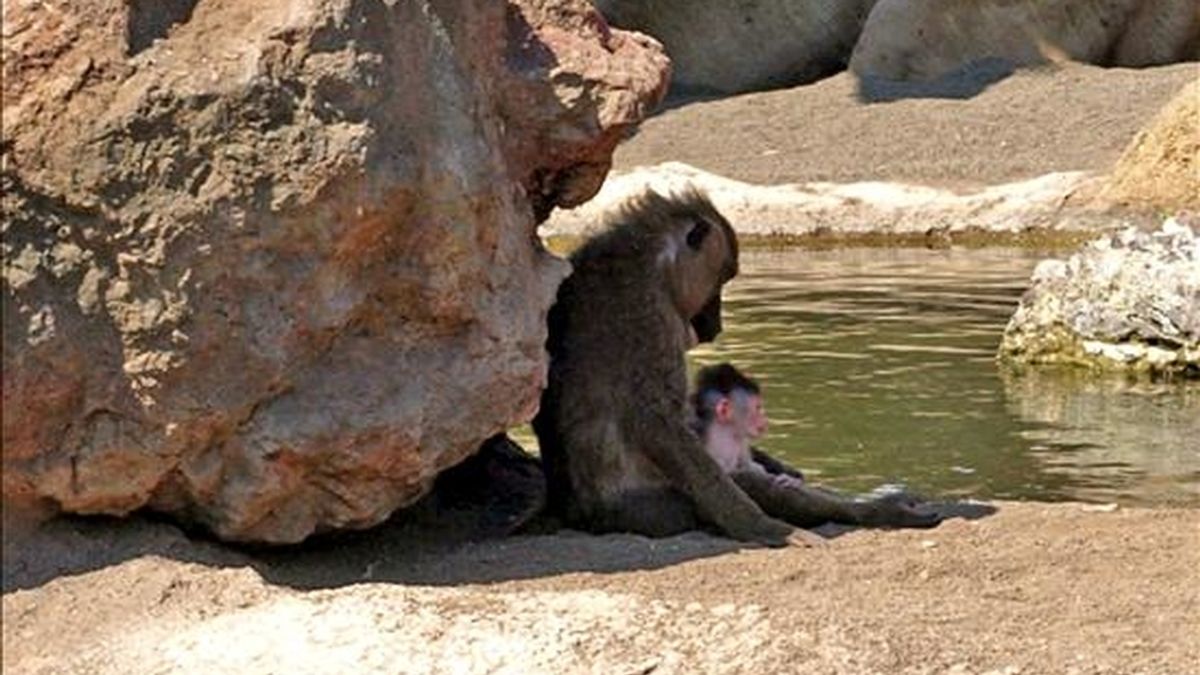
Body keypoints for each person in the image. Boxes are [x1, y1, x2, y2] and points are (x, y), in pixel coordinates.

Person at [690, 362, 943, 530]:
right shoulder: (706, 443)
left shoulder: (731, 436)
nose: (764, 421)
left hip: (759, 493)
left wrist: (785, 475)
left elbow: (758, 465)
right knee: (760, 481)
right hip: (730, 506)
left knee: (797, 485)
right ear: (724, 410)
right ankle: (870, 511)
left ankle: (868, 502)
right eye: (757, 410)